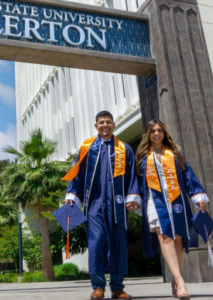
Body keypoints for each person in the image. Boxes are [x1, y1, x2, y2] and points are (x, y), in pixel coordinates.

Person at [62, 111, 141, 300]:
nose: (105, 125)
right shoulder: (87, 148)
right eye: (101, 122)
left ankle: (117, 287)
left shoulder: (124, 149)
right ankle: (97, 286)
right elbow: (78, 174)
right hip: (94, 204)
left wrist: (132, 196)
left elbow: (131, 175)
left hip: (118, 204)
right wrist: (72, 195)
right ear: (96, 126)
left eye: (108, 122)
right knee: (96, 243)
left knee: (118, 245)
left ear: (113, 125)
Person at [135, 119, 209, 299]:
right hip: (155, 199)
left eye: (159, 130)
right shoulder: (143, 157)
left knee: (178, 240)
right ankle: (180, 280)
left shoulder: (174, 154)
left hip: (176, 197)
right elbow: (136, 181)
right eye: (153, 131)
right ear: (148, 135)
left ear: (164, 133)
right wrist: (134, 199)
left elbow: (188, 175)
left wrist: (197, 195)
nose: (156, 134)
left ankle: (175, 281)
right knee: (165, 236)